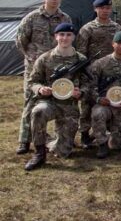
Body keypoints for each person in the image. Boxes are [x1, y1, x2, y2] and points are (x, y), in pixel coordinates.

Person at [15, 0, 72, 155]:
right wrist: (33, 59)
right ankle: (24, 140)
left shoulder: (65, 18)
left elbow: (67, 41)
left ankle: (57, 138)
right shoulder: (32, 18)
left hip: (58, 69)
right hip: (35, 69)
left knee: (58, 100)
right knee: (31, 102)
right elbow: (20, 41)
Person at [24, 23, 88, 171]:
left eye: (68, 35)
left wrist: (81, 92)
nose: (65, 38)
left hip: (70, 106)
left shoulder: (81, 59)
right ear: (56, 36)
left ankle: (50, 141)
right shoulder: (45, 58)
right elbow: (32, 81)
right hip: (49, 102)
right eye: (61, 34)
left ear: (73, 37)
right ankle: (39, 153)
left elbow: (88, 84)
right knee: (38, 111)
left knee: (63, 152)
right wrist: (40, 89)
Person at [75, 0, 121, 148]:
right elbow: (81, 54)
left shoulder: (116, 28)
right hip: (91, 72)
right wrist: (85, 72)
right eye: (102, 8)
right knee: (87, 104)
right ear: (96, 9)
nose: (105, 11)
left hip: (111, 72)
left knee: (111, 99)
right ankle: (84, 134)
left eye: (108, 8)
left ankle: (107, 131)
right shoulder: (87, 29)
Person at [88, 31, 121, 158]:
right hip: (104, 103)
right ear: (113, 44)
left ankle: (105, 133)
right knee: (98, 113)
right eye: (119, 43)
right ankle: (101, 144)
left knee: (117, 145)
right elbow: (91, 85)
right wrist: (98, 99)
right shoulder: (100, 64)